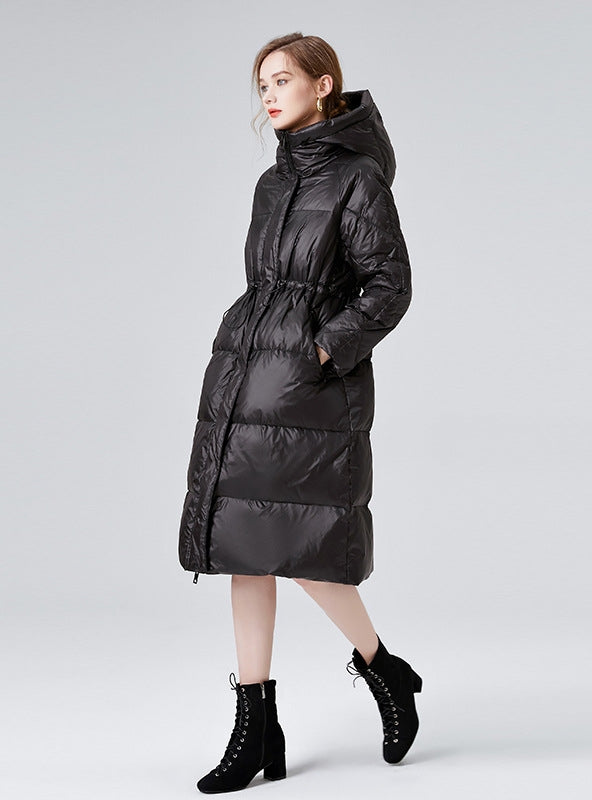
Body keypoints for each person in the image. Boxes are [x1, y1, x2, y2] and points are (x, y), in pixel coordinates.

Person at [178, 32, 422, 794]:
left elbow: (389, 284)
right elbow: (267, 285)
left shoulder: (357, 180)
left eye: (282, 80)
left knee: (305, 549)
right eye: (262, 85)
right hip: (248, 379)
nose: (270, 95)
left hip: (309, 390)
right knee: (244, 548)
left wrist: (323, 350)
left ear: (323, 85)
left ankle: (384, 670)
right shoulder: (270, 184)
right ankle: (256, 726)